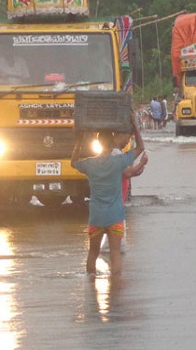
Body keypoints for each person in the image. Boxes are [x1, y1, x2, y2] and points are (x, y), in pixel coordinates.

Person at [71, 116, 145, 275]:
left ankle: (91, 283)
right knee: (115, 254)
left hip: (96, 217)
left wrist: (79, 141)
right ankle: (115, 285)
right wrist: (135, 127)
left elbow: (73, 162)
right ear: (112, 144)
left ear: (98, 144)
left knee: (93, 253)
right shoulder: (118, 162)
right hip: (115, 216)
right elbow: (140, 148)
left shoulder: (90, 164)